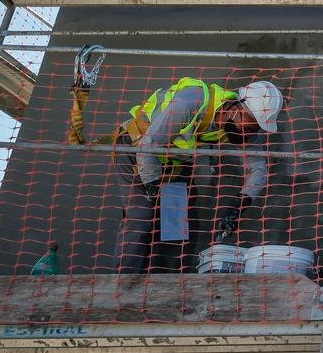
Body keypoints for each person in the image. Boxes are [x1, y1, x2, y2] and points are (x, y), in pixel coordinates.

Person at [114, 77, 283, 273]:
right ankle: (122, 285)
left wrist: (238, 205)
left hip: (173, 165)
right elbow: (149, 145)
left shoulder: (245, 128)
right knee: (141, 217)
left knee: (177, 229)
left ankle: (163, 286)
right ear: (236, 107)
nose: (250, 132)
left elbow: (257, 169)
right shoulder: (191, 101)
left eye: (256, 129)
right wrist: (153, 187)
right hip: (136, 152)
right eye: (250, 125)